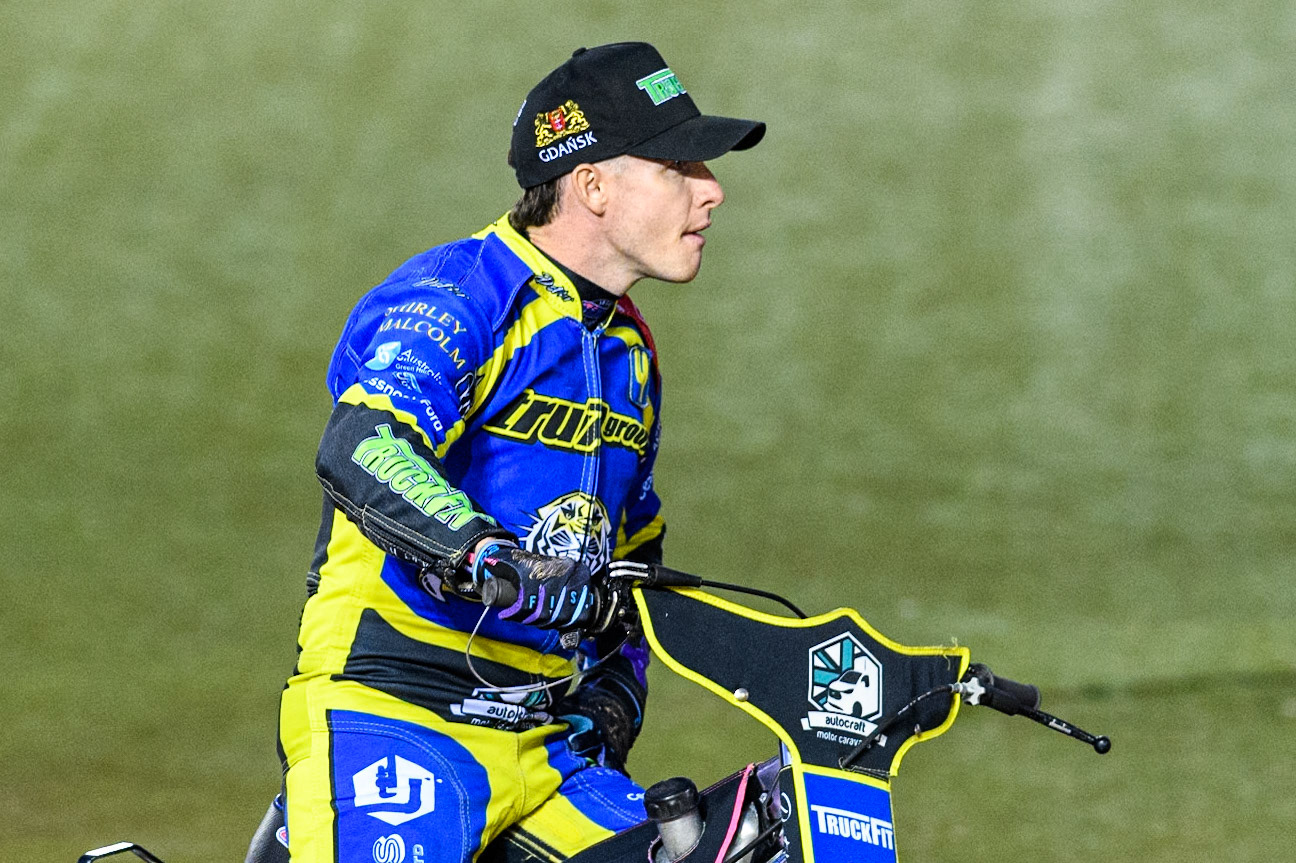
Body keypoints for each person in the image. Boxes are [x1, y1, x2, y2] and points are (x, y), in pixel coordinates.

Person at [254, 41, 765, 863]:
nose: (712, 189)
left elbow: (630, 558)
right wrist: (487, 553)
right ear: (592, 183)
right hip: (398, 715)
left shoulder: (629, 350)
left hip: (548, 749)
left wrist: (615, 698)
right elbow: (364, 446)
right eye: (678, 164)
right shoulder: (461, 294)